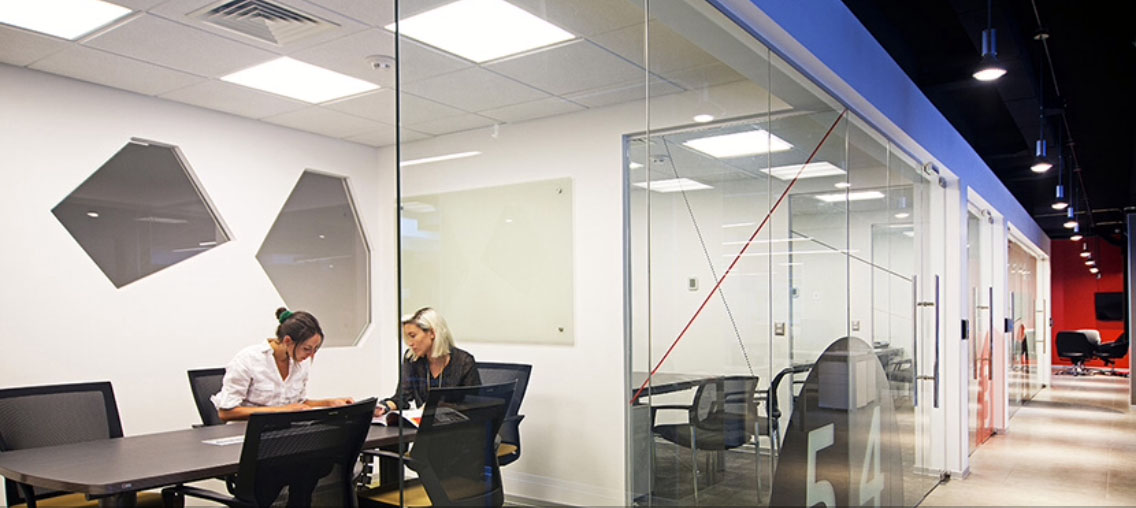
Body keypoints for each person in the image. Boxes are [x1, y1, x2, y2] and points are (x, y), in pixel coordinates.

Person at [212, 307, 354, 421]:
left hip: (284, 434)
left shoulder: (300, 362)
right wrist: (281, 411)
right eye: (307, 349)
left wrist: (328, 404)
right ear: (287, 341)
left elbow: (298, 405)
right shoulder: (248, 359)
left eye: (315, 349)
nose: (311, 355)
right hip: (246, 435)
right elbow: (226, 413)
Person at [376, 307, 480, 416]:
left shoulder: (464, 362)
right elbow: (402, 397)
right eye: (407, 337)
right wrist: (385, 406)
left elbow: (474, 406)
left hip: (455, 423)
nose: (410, 343)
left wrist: (436, 407)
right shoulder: (412, 359)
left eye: (413, 336)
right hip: (423, 423)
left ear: (432, 333)